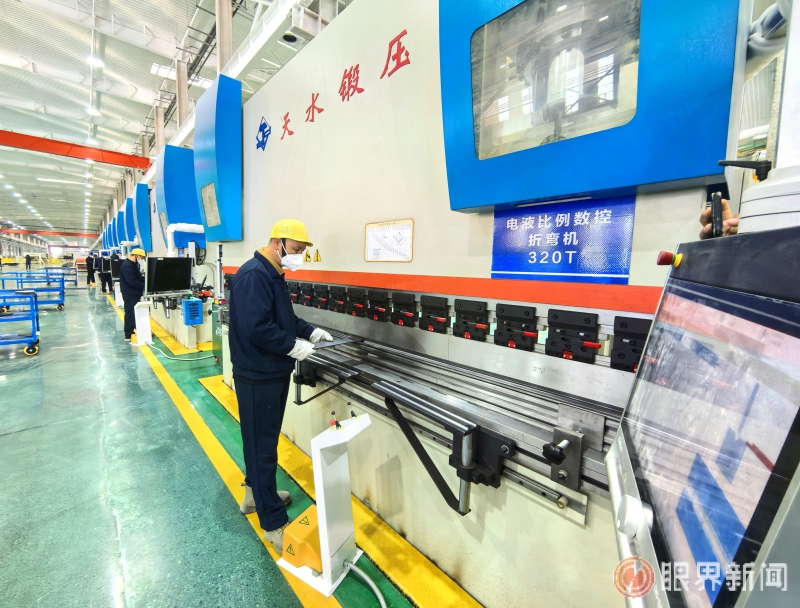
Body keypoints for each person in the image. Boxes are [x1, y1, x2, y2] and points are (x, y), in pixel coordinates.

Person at [228, 219, 333, 553]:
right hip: (257, 376)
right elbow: (257, 327)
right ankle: (273, 522)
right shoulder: (254, 276)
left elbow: (283, 319)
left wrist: (310, 331)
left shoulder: (272, 274)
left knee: (263, 441)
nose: (299, 256)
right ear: (278, 243)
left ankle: (255, 494)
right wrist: (293, 346)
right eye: (297, 249)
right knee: (261, 446)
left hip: (270, 372)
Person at [119, 248, 146, 341]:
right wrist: (144, 285)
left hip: (134, 293)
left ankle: (134, 330)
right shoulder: (127, 266)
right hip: (130, 293)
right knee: (130, 313)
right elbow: (132, 281)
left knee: (134, 313)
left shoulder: (133, 264)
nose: (141, 259)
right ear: (136, 255)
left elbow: (138, 277)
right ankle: (128, 334)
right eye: (141, 257)